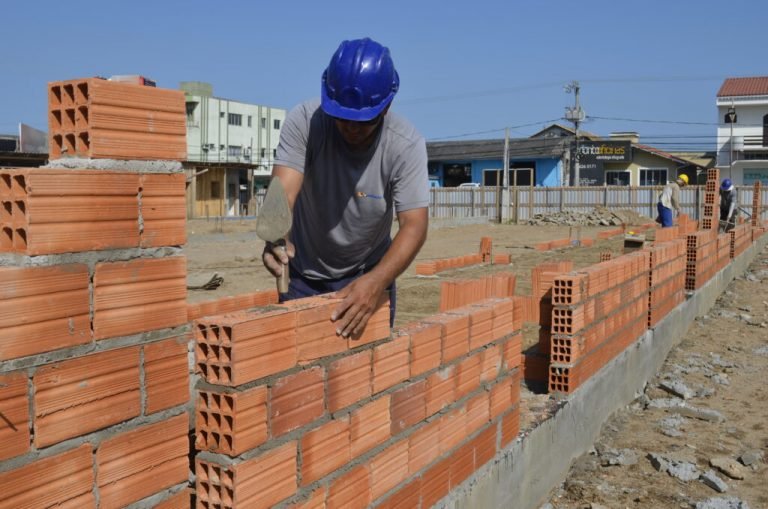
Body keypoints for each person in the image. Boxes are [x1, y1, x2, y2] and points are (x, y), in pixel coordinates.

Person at [261, 37, 429, 338]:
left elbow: (414, 225)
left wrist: (378, 282)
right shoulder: (305, 122)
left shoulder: (405, 145)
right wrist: (275, 236)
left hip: (369, 275)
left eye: (362, 121)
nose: (350, 127)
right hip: (303, 276)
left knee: (363, 377)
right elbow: (283, 191)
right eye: (341, 118)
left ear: (386, 106)